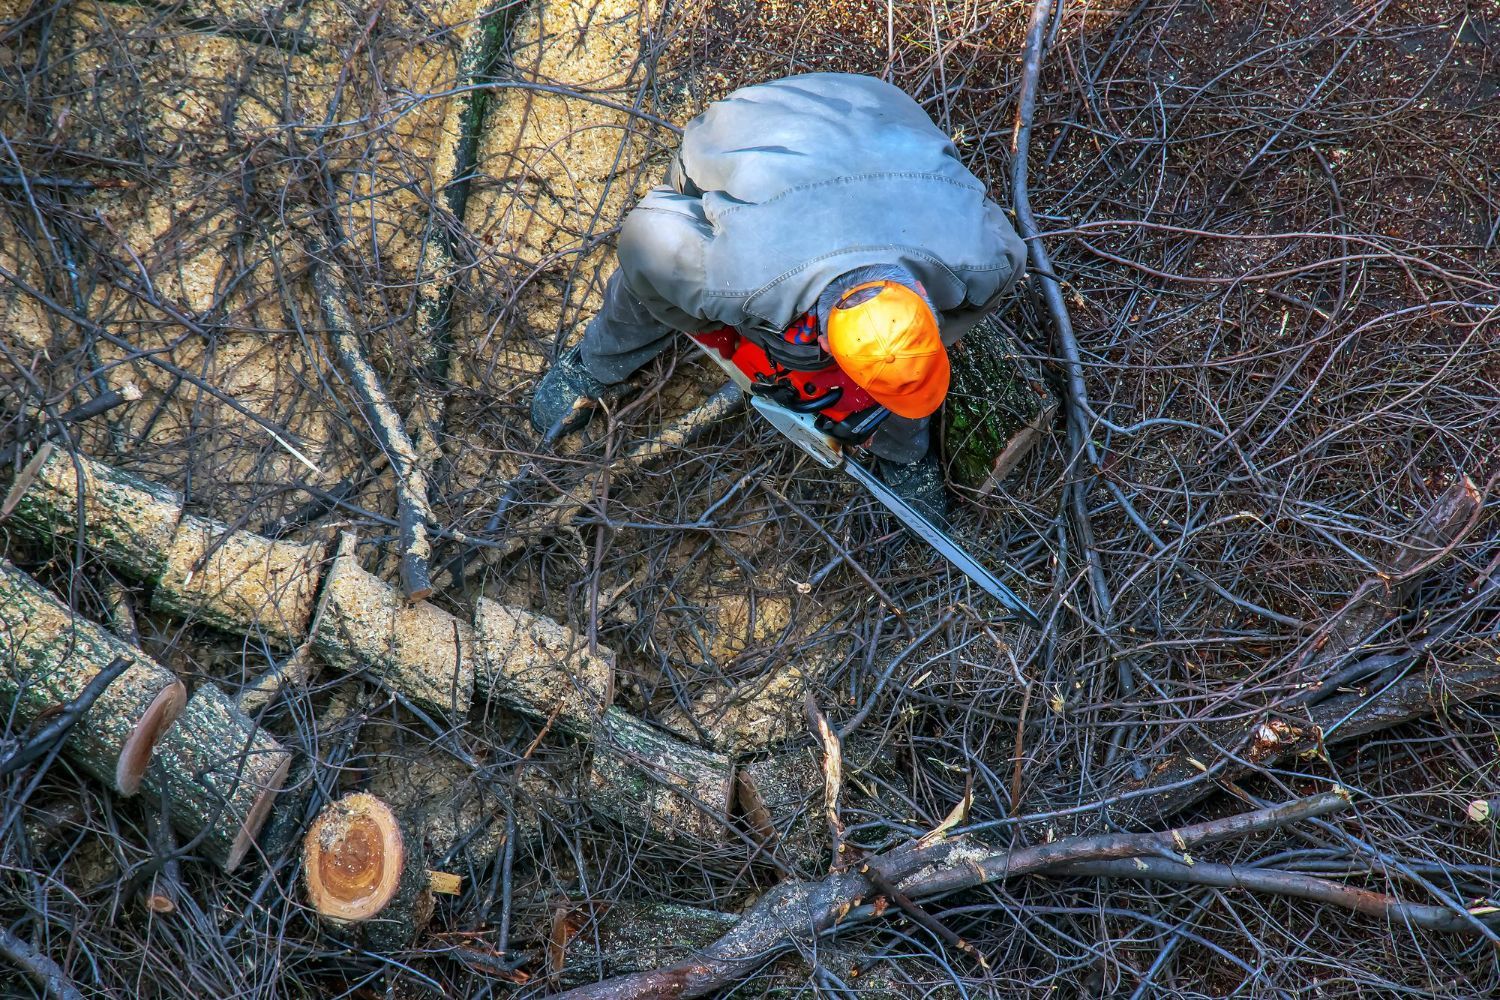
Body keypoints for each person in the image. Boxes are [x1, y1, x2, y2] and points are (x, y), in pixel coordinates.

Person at [530, 72, 1027, 520]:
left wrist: (916, 354)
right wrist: (715, 332)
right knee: (655, 286)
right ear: (828, 347)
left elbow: (952, 315)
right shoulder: (740, 278)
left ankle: (902, 449)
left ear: (922, 294)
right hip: (748, 132)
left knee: (896, 368)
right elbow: (644, 239)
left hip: (875, 106)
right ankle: (597, 363)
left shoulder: (986, 261)